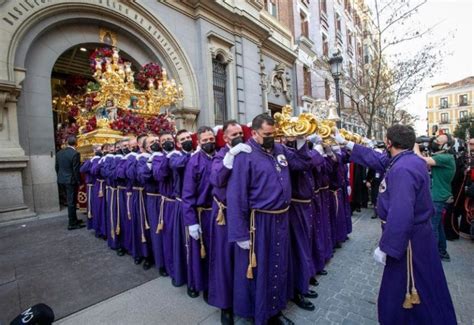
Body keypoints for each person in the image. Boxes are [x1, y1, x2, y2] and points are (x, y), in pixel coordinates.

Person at [334, 124, 457, 325]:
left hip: (408, 242)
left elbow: (401, 213)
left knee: (409, 288)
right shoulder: (407, 160)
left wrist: (388, 247)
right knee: (424, 284)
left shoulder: (402, 169)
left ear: (389, 142)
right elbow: (378, 159)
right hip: (416, 237)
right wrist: (348, 144)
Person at [226, 113, 311, 325]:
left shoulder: (280, 149)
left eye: (274, 134)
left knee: (279, 265)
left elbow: (301, 164)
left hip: (282, 219)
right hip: (260, 223)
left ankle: (276, 310)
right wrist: (240, 233)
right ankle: (262, 314)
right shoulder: (245, 155)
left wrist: (301, 139)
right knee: (262, 270)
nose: (271, 138)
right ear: (254, 133)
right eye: (266, 134)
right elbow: (236, 195)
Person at [208, 120, 251, 325]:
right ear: (225, 138)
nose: (238, 137)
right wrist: (231, 155)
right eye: (233, 135)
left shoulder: (249, 152)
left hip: (244, 215)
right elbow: (216, 180)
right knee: (224, 261)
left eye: (240, 133)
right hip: (224, 216)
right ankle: (225, 306)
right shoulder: (219, 156)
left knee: (245, 260)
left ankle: (245, 302)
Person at [182, 126, 217, 300]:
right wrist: (191, 222)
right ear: (199, 142)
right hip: (202, 215)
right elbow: (187, 194)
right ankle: (201, 285)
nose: (209, 142)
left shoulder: (221, 157)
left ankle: (218, 284)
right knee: (202, 253)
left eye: (211, 139)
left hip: (220, 214)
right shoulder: (194, 161)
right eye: (205, 140)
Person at [414, 134, 456, 261]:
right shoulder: (442, 157)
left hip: (438, 197)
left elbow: (422, 161)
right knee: (438, 226)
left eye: (438, 141)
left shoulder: (446, 157)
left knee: (432, 227)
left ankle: (431, 257)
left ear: (446, 145)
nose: (435, 142)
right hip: (440, 196)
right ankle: (442, 251)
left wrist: (415, 147)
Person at [168, 129, 194, 291]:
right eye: (183, 139)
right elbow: (177, 165)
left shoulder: (201, 153)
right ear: (178, 144)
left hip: (200, 206)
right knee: (186, 245)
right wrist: (192, 156)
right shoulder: (176, 157)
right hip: (183, 205)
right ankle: (188, 279)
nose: (186, 140)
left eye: (188, 137)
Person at [55, 136, 84, 230]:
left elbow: (56, 167)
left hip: (61, 180)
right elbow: (76, 170)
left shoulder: (59, 153)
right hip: (70, 181)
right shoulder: (75, 153)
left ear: (67, 142)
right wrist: (80, 182)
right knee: (72, 202)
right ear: (76, 143)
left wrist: (61, 177)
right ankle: (72, 223)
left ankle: (74, 219)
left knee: (70, 201)